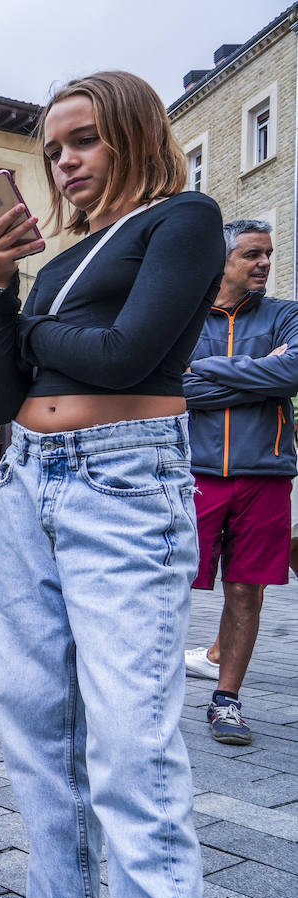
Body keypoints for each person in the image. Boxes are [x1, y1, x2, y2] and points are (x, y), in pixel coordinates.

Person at [0, 71, 221, 898]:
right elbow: (3, 399)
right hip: (30, 476)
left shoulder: (184, 219)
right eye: (52, 151)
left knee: (129, 745)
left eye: (83, 140)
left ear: (136, 133)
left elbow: (122, 354)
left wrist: (35, 327)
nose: (65, 163)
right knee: (37, 734)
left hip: (122, 475)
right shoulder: (61, 262)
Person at [181, 219, 298, 747]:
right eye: (252, 254)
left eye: (268, 254)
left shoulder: (285, 315)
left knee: (246, 590)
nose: (265, 263)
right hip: (195, 474)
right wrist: (258, 373)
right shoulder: (183, 318)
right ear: (221, 260)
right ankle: (149, 696)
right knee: (169, 586)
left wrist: (212, 369)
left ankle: (226, 701)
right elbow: (175, 390)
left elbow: (292, 375)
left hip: (265, 475)